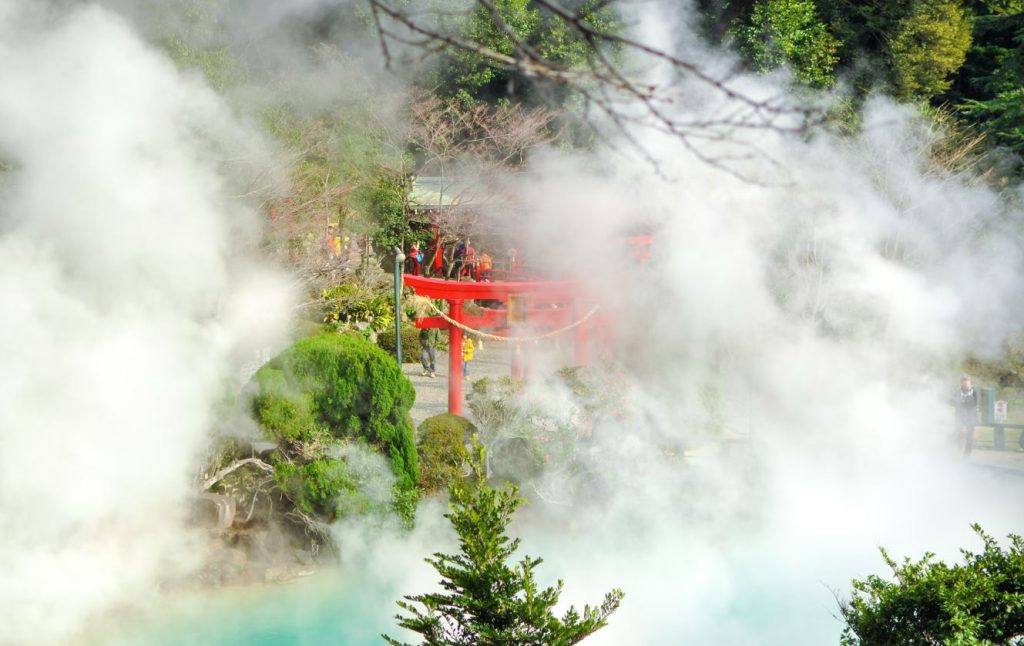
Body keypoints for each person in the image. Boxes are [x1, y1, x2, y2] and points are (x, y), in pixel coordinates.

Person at [954, 374, 979, 457]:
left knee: (970, 437)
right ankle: (958, 452)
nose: (967, 385)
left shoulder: (974, 392)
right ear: (961, 383)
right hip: (960, 418)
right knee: (959, 435)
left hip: (971, 419)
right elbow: (955, 403)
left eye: (968, 383)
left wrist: (963, 402)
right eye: (965, 383)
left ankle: (967, 456)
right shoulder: (958, 392)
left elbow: (975, 403)